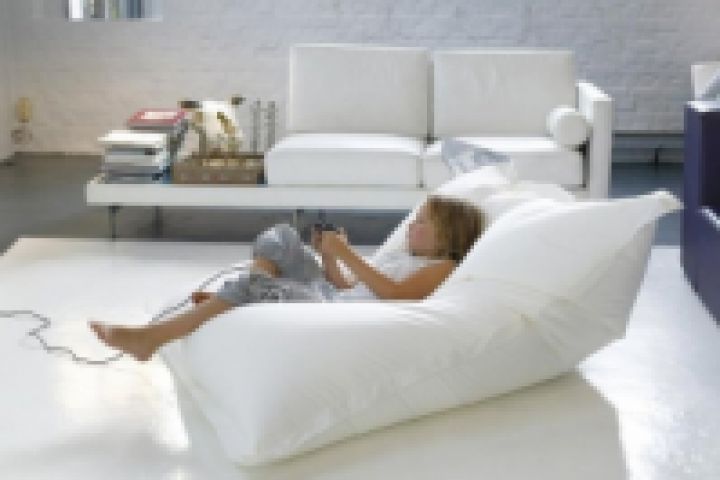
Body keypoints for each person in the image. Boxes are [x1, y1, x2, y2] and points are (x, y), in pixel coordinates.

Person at [90, 196, 484, 361]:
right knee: (281, 236)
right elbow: (352, 287)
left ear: (446, 236)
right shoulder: (402, 256)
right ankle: (247, 295)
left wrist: (348, 254)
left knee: (253, 284)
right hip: (331, 293)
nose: (412, 226)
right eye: (414, 219)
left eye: (422, 223)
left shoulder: (444, 267)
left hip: (330, 309)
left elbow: (395, 295)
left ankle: (151, 338)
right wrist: (331, 257)